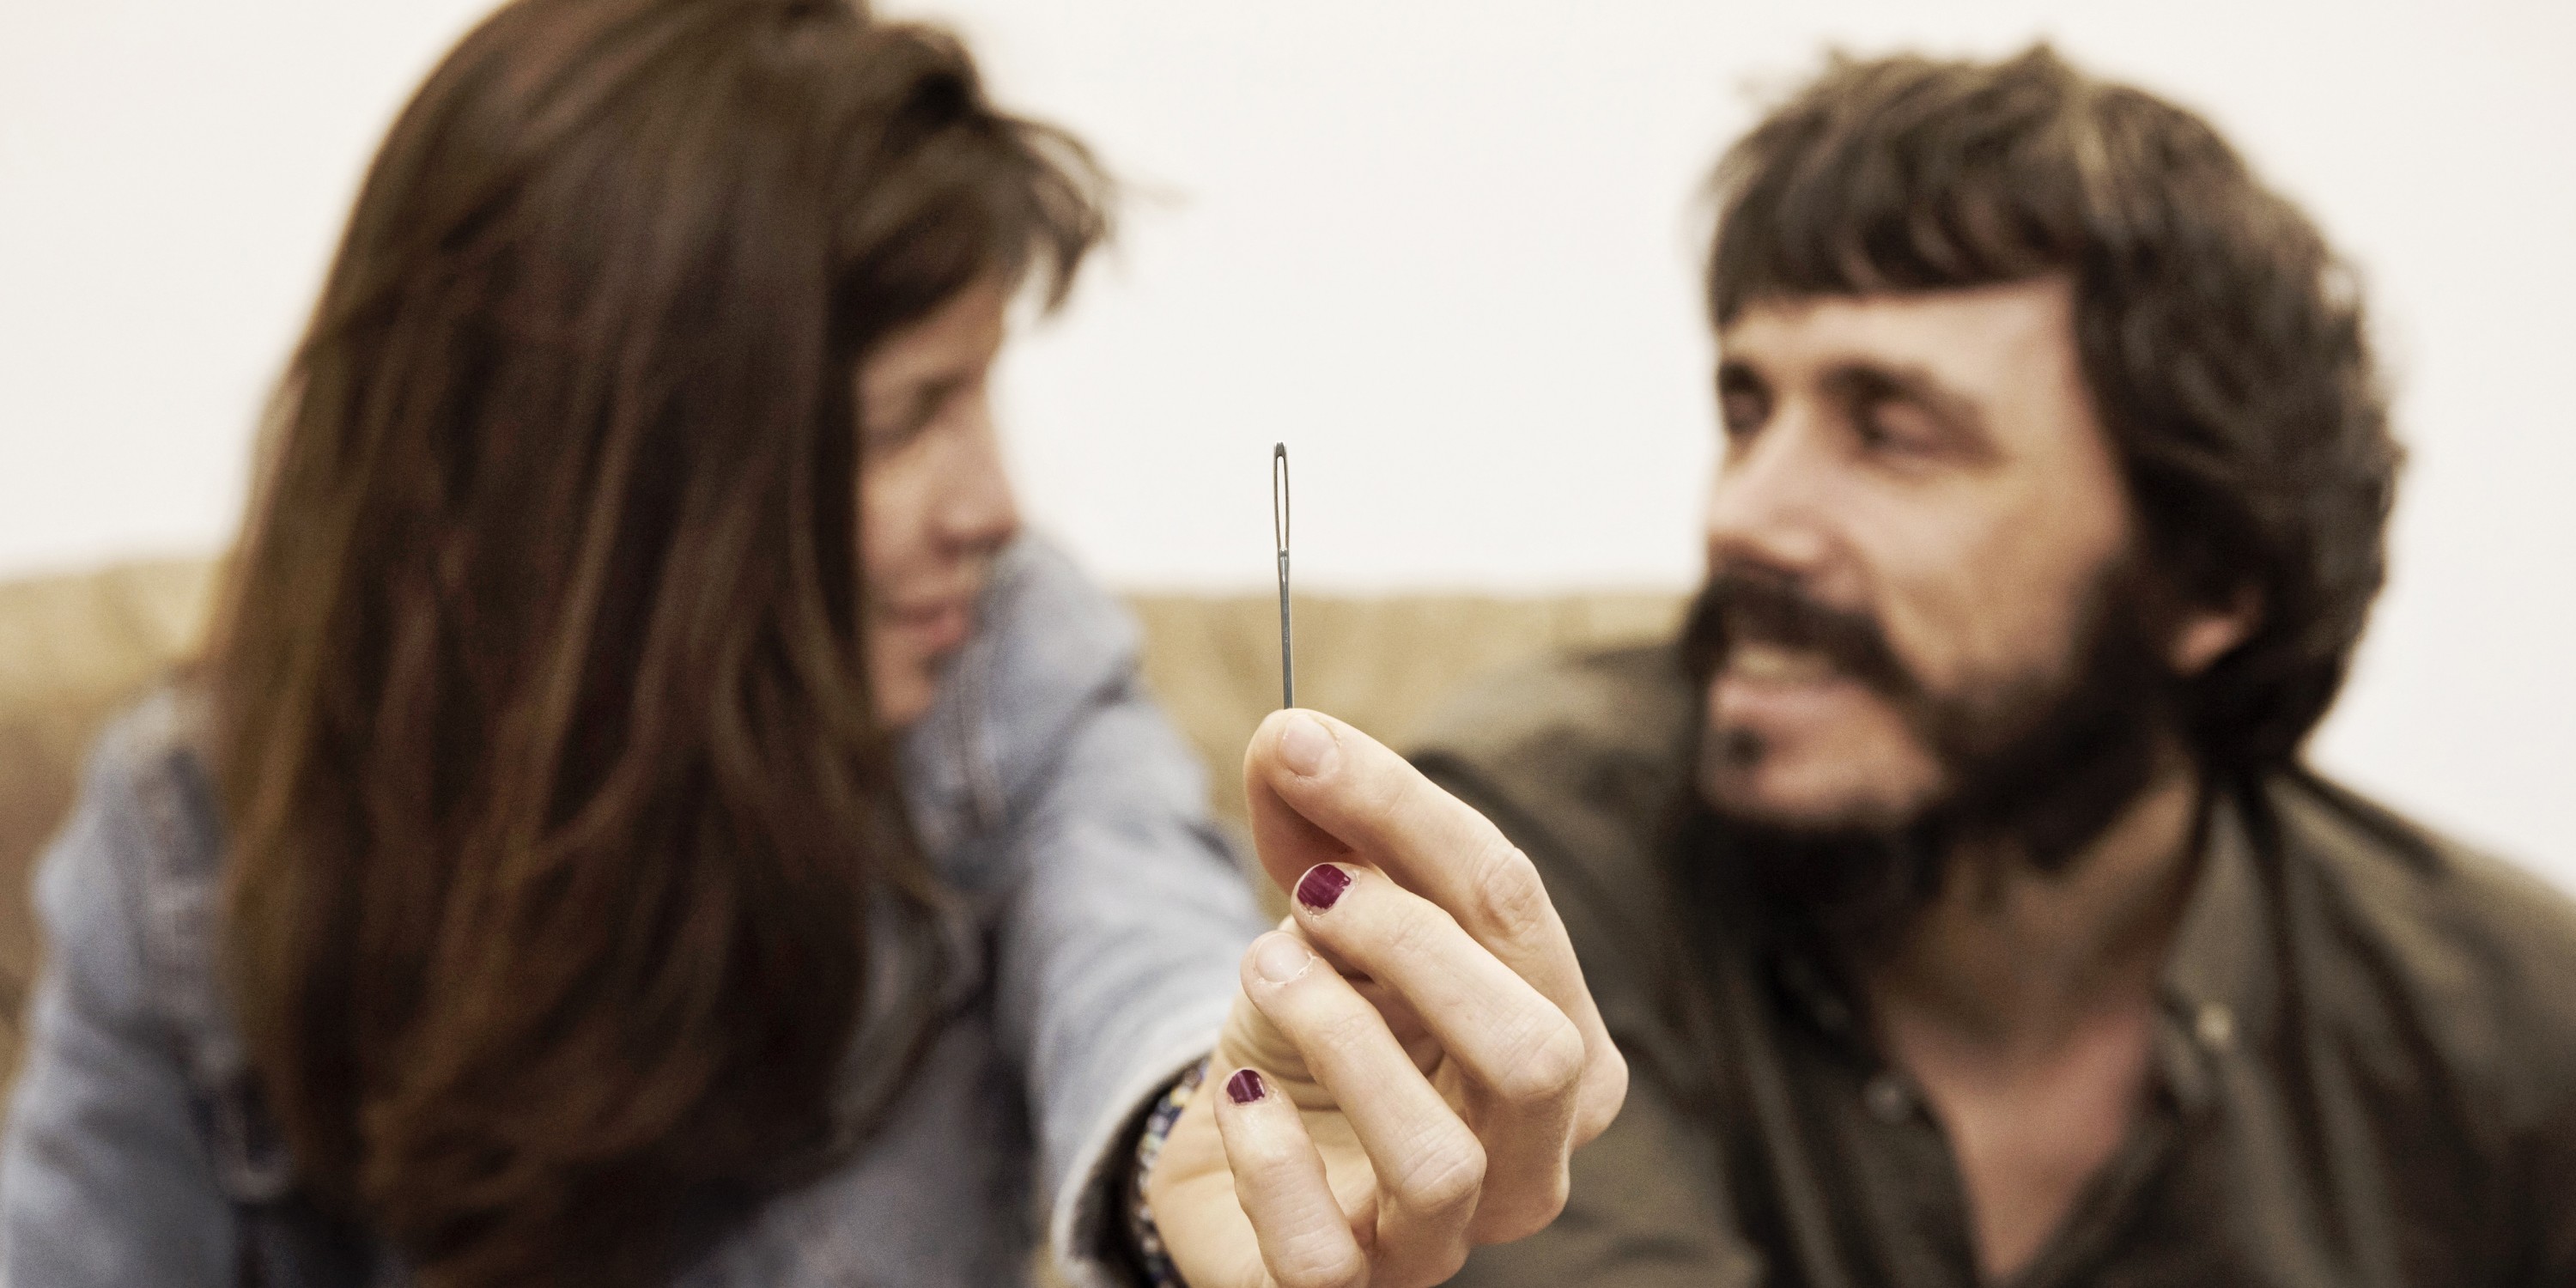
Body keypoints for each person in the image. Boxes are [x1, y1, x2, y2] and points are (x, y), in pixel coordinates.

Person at [0, 2, 1623, 1285]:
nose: (994, 505)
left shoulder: (998, 673)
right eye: (909, 417)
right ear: (604, 475)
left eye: (980, 391)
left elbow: (1139, 955)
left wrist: (1201, 1148)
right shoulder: (185, 841)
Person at [1413, 46, 2576, 1287]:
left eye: (1893, 434)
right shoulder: (1523, 862)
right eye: (1748, 414)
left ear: (2204, 580)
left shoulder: (2509, 1031)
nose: (1743, 515)